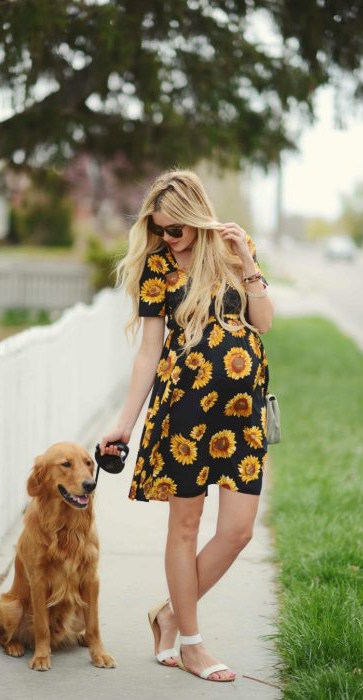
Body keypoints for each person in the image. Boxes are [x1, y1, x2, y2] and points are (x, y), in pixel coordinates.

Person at [99, 169, 274, 683]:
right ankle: (192, 644)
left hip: (242, 418)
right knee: (186, 526)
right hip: (186, 416)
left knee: (238, 531)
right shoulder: (157, 268)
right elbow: (149, 352)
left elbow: (263, 322)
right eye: (159, 230)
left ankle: (170, 615)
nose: (166, 239)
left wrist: (246, 261)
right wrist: (123, 425)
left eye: (175, 230)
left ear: (198, 219)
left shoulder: (233, 251)